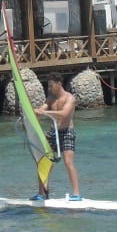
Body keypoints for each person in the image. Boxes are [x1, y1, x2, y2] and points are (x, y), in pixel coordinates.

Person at [33, 72, 80, 200]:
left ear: (59, 84)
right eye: (48, 86)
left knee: (68, 162)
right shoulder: (51, 98)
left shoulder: (70, 98)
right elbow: (42, 109)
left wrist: (44, 112)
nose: (50, 88)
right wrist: (35, 112)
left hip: (66, 132)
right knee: (43, 162)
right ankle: (42, 193)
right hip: (53, 132)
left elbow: (64, 114)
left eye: (51, 85)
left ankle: (76, 194)